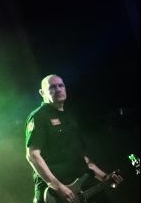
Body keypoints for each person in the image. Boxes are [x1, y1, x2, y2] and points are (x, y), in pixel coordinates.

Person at [25, 74, 122, 203]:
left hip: (81, 184)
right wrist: (57, 186)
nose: (58, 89)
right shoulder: (39, 116)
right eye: (52, 87)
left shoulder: (69, 118)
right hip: (54, 193)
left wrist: (105, 177)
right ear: (42, 93)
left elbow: (82, 157)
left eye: (61, 85)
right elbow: (32, 155)